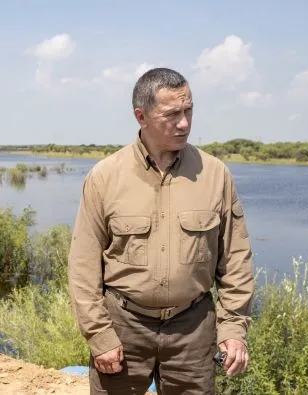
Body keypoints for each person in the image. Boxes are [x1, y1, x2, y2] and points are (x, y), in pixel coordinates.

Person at [67, 67, 255, 395]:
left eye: (188, 110)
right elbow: (83, 268)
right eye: (171, 114)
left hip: (193, 329)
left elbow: (236, 261)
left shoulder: (215, 175)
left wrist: (233, 330)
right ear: (141, 116)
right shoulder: (104, 177)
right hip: (124, 326)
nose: (184, 123)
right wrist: (99, 335)